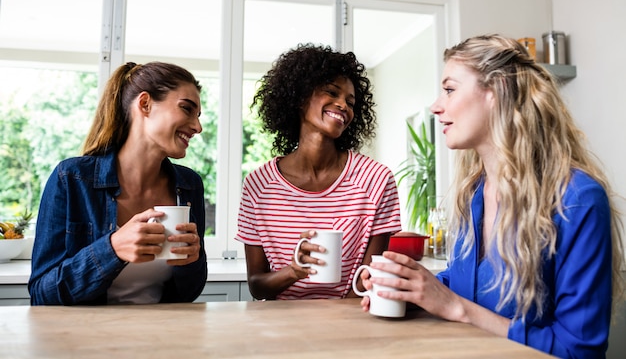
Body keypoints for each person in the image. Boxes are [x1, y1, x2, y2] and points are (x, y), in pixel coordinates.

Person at [359, 34, 625, 358]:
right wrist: (412, 289)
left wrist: (456, 308)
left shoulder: (577, 199)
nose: (436, 105)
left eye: (449, 89)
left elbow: (578, 350)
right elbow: (468, 284)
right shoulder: (473, 194)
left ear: (495, 90)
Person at [28, 62, 208, 305]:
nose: (197, 127)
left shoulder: (189, 185)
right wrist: (112, 249)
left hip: (164, 335)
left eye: (198, 116)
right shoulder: (72, 178)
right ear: (145, 104)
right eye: (187, 109)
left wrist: (191, 262)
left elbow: (187, 294)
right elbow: (42, 294)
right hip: (88, 338)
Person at [236, 43, 401, 300]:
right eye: (331, 93)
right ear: (300, 97)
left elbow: (368, 281)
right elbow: (257, 286)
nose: (343, 106)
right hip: (280, 327)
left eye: (350, 101)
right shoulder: (258, 185)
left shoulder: (376, 179)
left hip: (349, 323)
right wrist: (293, 271)